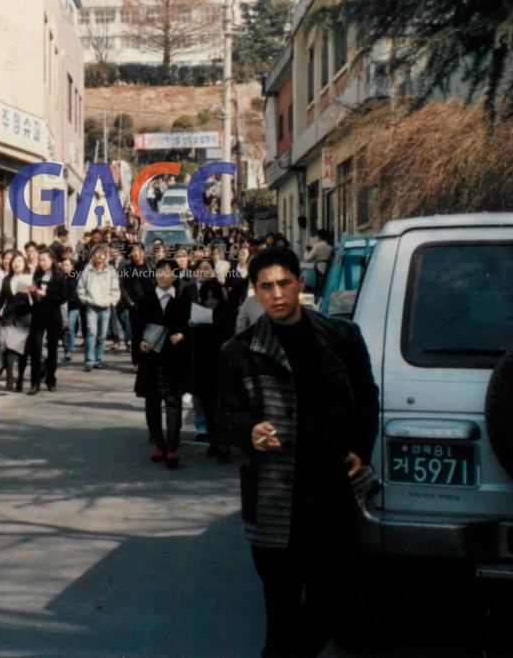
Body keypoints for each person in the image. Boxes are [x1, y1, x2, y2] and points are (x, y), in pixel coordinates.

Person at [217, 247, 378, 657]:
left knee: (331, 600)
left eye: (284, 283)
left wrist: (361, 447)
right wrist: (249, 430)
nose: (277, 294)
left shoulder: (340, 337)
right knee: (281, 608)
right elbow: (223, 415)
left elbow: (366, 396)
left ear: (300, 284)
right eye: (266, 286)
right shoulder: (240, 352)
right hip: (273, 497)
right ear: (255, 292)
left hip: (331, 490)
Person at [131, 258, 192, 469]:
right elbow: (136, 328)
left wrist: (183, 335)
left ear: (175, 276)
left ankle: (173, 445)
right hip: (151, 357)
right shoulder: (146, 299)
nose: (163, 275)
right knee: (152, 401)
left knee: (173, 401)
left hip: (174, 358)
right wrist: (139, 346)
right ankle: (158, 441)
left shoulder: (183, 300)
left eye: (167, 272)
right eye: (159, 271)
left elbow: (189, 327)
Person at [188, 279, 234, 462]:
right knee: (208, 408)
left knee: (224, 408)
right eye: (207, 298)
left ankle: (224, 444)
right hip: (204, 369)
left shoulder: (227, 314)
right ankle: (214, 442)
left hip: (224, 368)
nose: (210, 302)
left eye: (214, 298)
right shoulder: (197, 315)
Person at [26, 247, 68, 394]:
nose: (42, 263)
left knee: (52, 350)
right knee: (36, 348)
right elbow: (35, 298)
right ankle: (34, 382)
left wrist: (46, 293)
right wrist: (33, 293)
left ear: (51, 260)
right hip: (38, 314)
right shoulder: (37, 274)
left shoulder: (60, 275)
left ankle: (51, 379)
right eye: (40, 260)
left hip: (53, 315)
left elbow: (62, 298)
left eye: (44, 260)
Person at [77, 244, 121, 372]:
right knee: (91, 333)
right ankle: (89, 360)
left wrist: (113, 301)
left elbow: (115, 288)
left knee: (101, 336)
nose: (100, 255)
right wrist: (84, 299)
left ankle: (99, 359)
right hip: (91, 306)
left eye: (102, 253)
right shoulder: (88, 270)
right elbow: (81, 287)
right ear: (94, 255)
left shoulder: (111, 270)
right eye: (97, 253)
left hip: (105, 307)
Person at [0, 251, 33, 392]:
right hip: (9, 318)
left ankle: (20, 380)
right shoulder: (6, 279)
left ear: (24, 264)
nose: (16, 264)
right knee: (9, 349)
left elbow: (34, 300)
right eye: (14, 261)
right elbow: (1, 299)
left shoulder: (28, 279)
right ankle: (10, 379)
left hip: (24, 319)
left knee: (21, 352)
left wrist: (32, 292)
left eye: (19, 261)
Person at [116, 243, 153, 352]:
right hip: (134, 304)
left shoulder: (150, 266)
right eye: (134, 251)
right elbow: (122, 286)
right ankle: (136, 361)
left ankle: (147, 360)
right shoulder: (127, 268)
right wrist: (130, 302)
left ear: (143, 252)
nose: (136, 253)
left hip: (149, 304)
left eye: (138, 250)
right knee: (136, 333)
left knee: (148, 333)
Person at [59, 255, 82, 362]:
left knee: (71, 328)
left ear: (72, 266)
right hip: (61, 306)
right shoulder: (59, 277)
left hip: (74, 305)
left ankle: (69, 351)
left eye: (68, 265)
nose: (65, 267)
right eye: (64, 265)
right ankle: (66, 347)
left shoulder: (76, 275)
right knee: (63, 328)